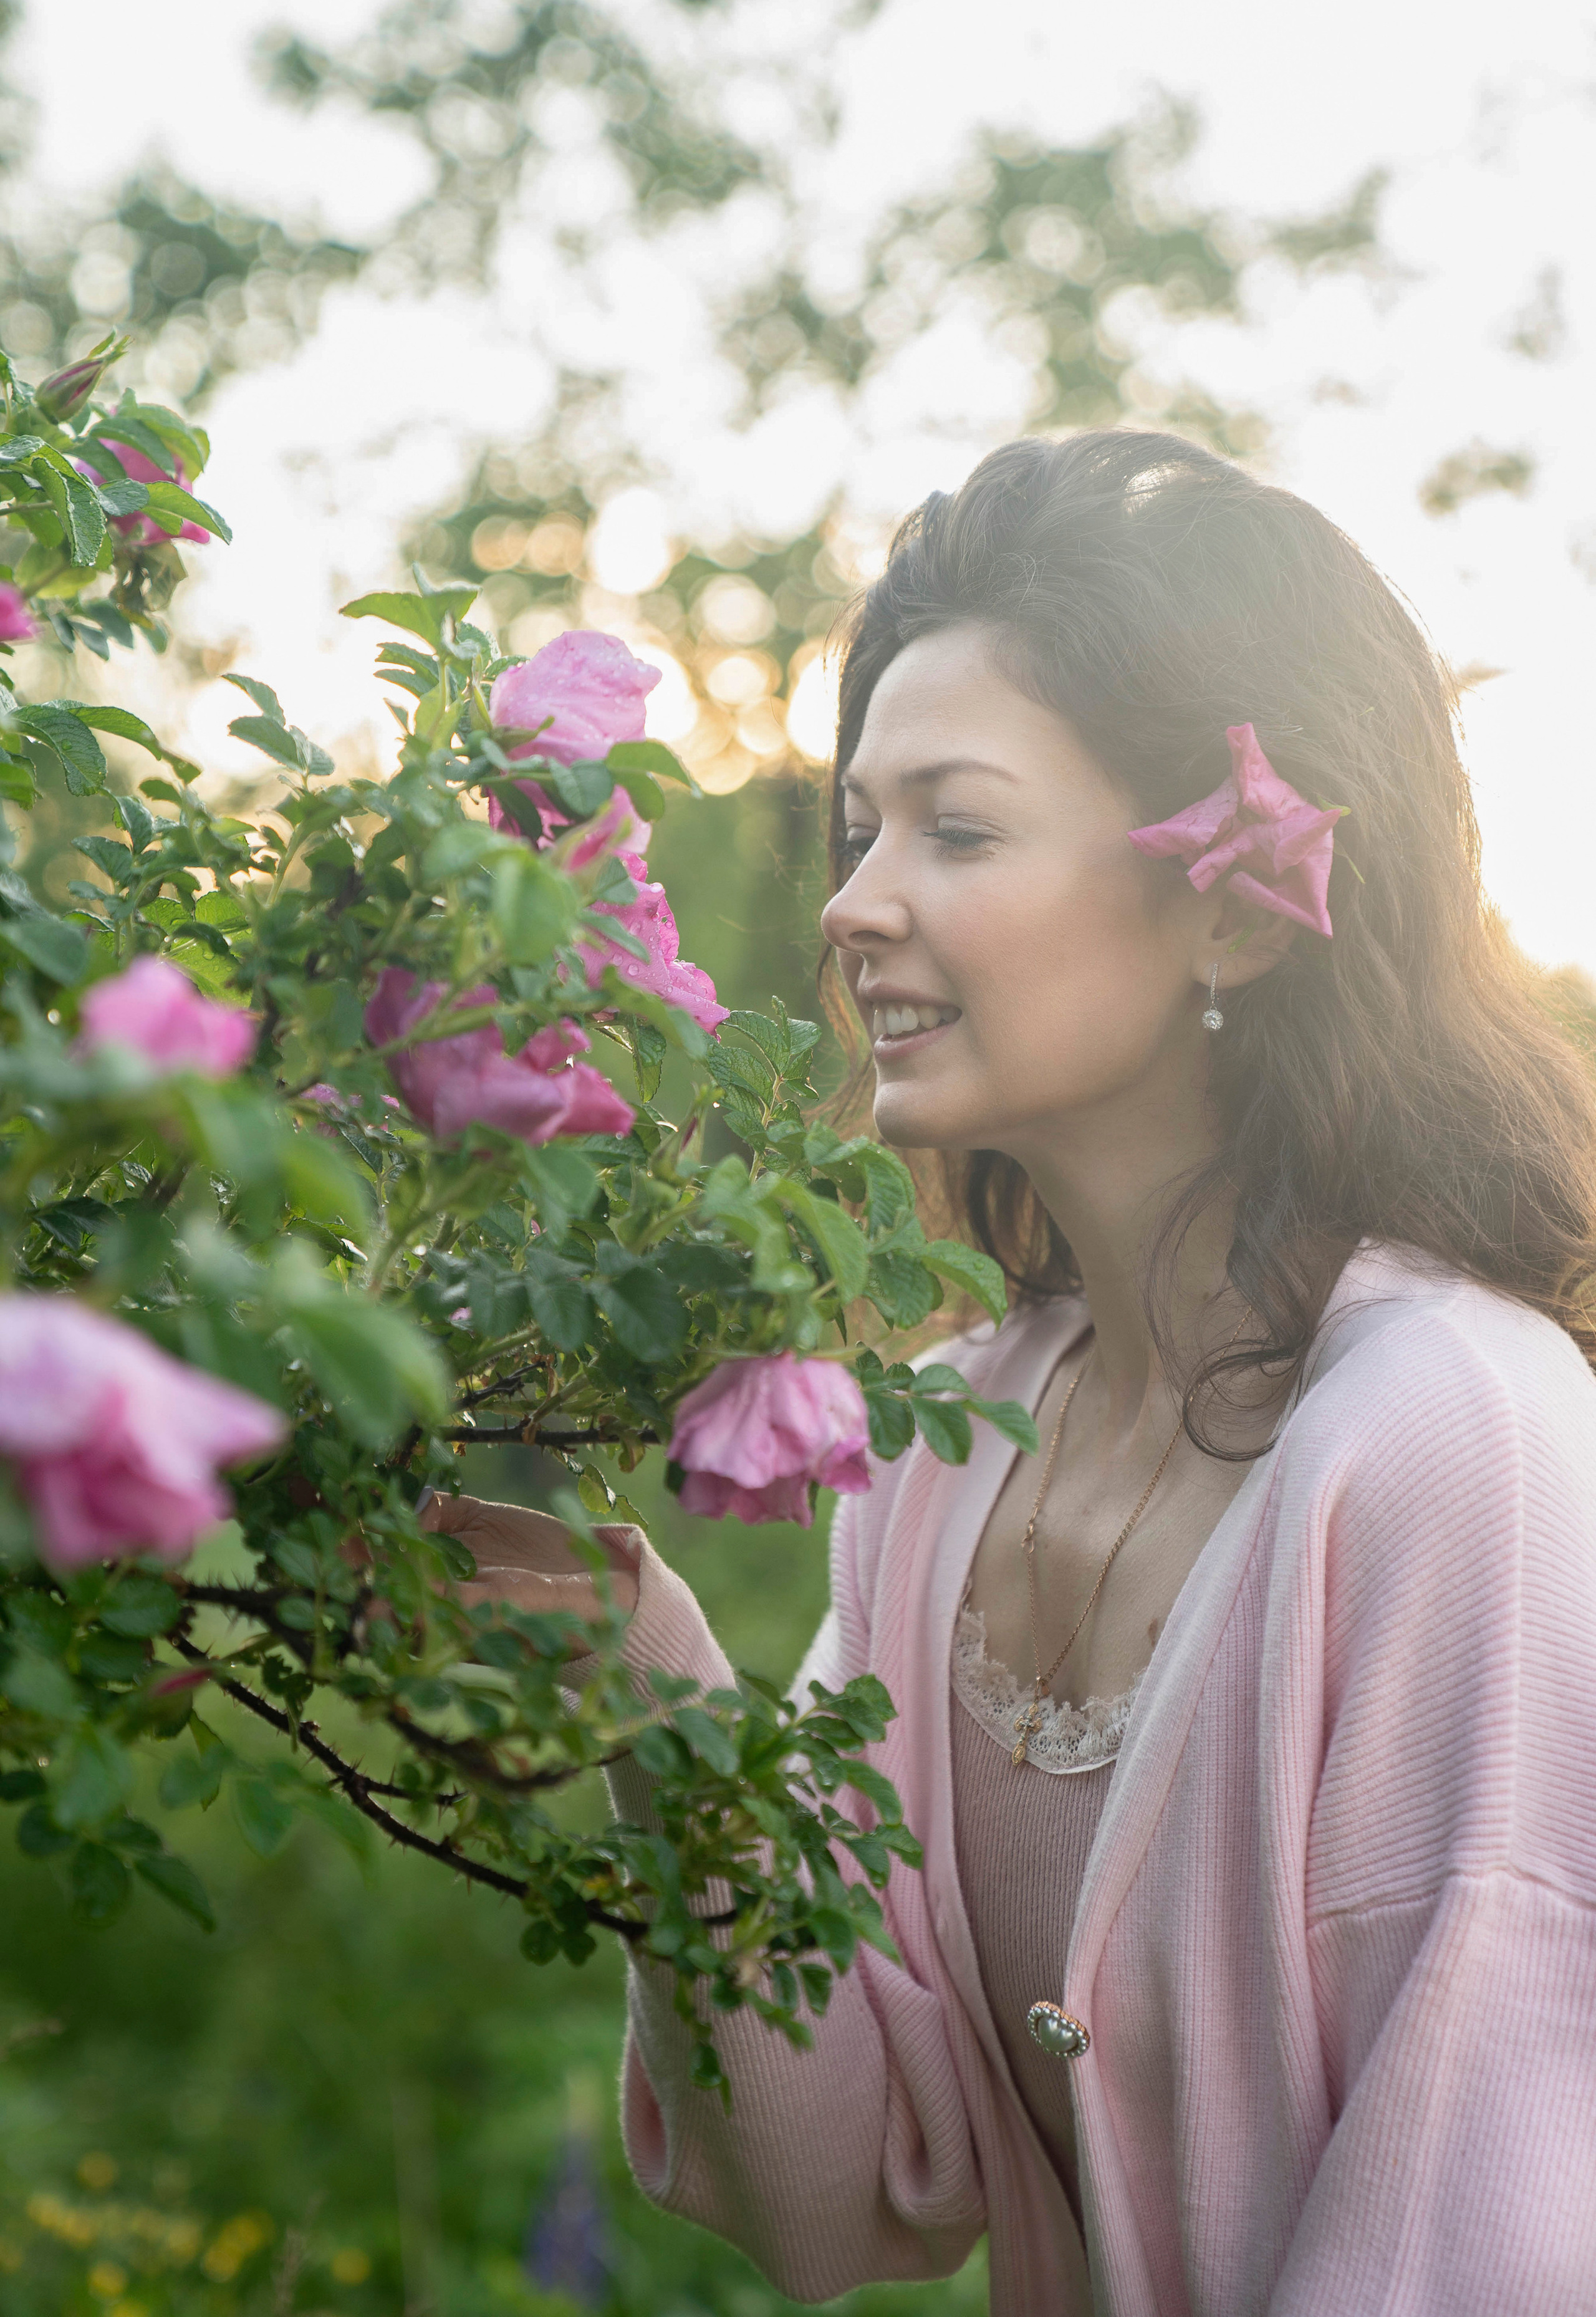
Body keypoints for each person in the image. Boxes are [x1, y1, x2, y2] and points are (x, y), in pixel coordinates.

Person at [431, 432, 1596, 2313]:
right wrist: (659, 1693)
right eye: (861, 829)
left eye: (955, 830)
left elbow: (1479, 2240)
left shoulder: (1459, 1440)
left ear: (1232, 901)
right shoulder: (944, 1455)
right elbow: (839, 2193)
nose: (851, 905)